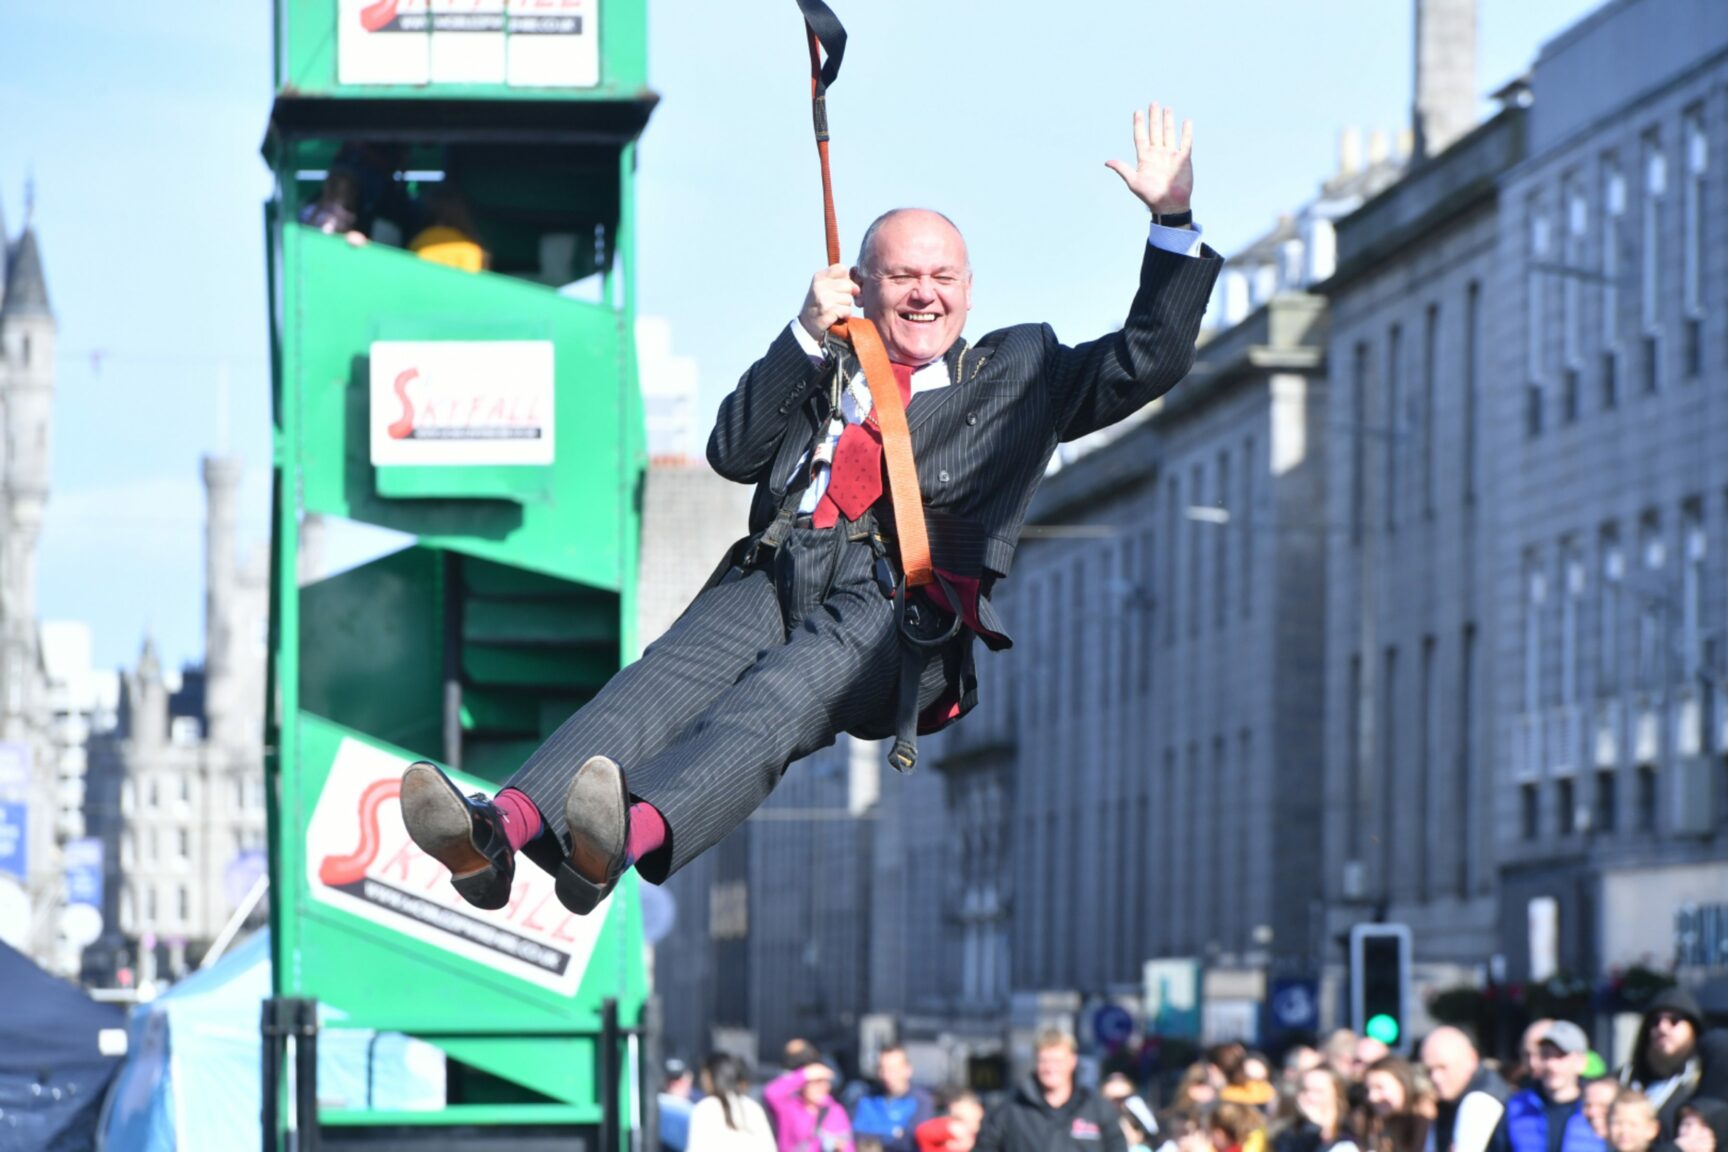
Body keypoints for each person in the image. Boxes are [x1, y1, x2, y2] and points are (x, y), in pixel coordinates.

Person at [397, 103, 1219, 917]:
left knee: (776, 701)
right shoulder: (825, 360)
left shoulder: (1022, 371)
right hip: (783, 563)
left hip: (898, 599)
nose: (924, 297)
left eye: (943, 280)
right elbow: (733, 452)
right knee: (653, 685)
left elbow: (1148, 357)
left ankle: (627, 839)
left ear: (970, 292)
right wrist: (801, 334)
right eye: (903, 278)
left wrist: (1171, 218)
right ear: (862, 286)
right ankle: (499, 829)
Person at [975, 1030, 1128, 1152]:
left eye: (1057, 1061)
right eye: (1044, 1060)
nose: (1050, 1068)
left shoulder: (1097, 1109)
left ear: (1072, 1061)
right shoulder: (1010, 1111)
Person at [1617, 988, 1728, 1139]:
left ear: (1693, 1028)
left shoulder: (1705, 1079)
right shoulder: (1625, 1078)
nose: (1662, 1028)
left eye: (1674, 1020)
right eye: (1655, 1021)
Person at [1497, 1022, 1606, 1152]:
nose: (1551, 1064)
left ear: (1580, 1062)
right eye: (1546, 1055)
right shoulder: (1517, 1106)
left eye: (1561, 1055)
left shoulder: (1598, 1110)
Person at [1421, 1027, 1509, 1152]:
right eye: (1429, 1070)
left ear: (1471, 1059)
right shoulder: (1447, 1103)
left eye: (1443, 1067)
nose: (1435, 1077)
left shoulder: (1479, 1102)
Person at [853, 1046, 936, 1152]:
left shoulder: (922, 1101)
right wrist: (892, 1132)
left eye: (893, 1070)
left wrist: (877, 1135)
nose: (887, 1075)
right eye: (882, 1069)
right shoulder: (867, 1098)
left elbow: (911, 1141)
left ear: (908, 1070)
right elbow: (857, 1136)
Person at [690, 1054, 776, 1152]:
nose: (701, 1081)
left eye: (703, 1075)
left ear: (710, 1076)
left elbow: (696, 1148)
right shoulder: (753, 1107)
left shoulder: (706, 1108)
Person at [765, 1061, 854, 1152]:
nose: (822, 1087)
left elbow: (848, 1146)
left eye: (826, 1082)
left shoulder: (835, 1111)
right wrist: (804, 1074)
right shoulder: (789, 1107)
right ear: (803, 1085)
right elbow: (771, 1093)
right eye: (816, 1082)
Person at [1274, 1068, 1359, 1152]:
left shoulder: (1352, 1129)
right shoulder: (1289, 1134)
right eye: (1305, 1090)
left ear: (1337, 1094)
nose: (1310, 1097)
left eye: (1318, 1091)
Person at [662, 1057, 697, 1152]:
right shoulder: (659, 1105)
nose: (674, 1084)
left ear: (689, 1080)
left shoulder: (696, 1109)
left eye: (679, 1080)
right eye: (671, 1080)